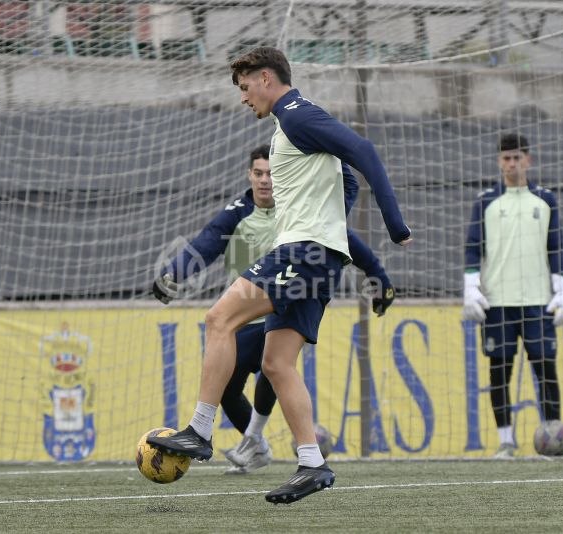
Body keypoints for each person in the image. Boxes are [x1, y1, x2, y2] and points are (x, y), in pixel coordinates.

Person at [148, 46, 411, 504]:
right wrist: (336, 233)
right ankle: (312, 463)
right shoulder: (293, 125)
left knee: (219, 320)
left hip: (302, 253)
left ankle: (200, 431)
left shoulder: (295, 115)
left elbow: (363, 150)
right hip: (317, 257)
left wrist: (394, 223)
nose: (245, 98)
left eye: (246, 88)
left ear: (266, 78)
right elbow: (346, 180)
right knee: (276, 363)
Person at [153, 144, 397, 475]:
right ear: (249, 175)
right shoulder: (238, 211)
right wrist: (176, 272)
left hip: (271, 309)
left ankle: (249, 439)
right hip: (244, 315)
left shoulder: (296, 212)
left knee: (270, 360)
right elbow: (205, 243)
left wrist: (379, 277)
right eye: (258, 173)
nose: (265, 180)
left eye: (270, 173)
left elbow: (346, 239)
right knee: (242, 378)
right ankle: (274, 446)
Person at [463, 132, 563, 459]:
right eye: (506, 158)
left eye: (517, 157)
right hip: (498, 302)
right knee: (499, 370)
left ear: (528, 159)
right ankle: (506, 442)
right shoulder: (485, 201)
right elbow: (472, 247)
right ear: (499, 162)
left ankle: (553, 435)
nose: (512, 163)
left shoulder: (545, 199)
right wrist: (470, 286)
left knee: (545, 367)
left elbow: (556, 246)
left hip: (538, 300)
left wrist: (562, 288)